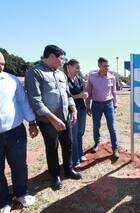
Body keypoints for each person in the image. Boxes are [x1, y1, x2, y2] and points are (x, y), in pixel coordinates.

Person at [25, 45, 81, 190]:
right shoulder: (35, 72)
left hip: (65, 116)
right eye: (61, 59)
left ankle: (68, 170)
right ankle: (55, 175)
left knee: (68, 144)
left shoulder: (61, 74)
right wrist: (53, 119)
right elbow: (35, 100)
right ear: (51, 57)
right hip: (48, 121)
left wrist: (73, 109)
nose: (63, 62)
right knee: (52, 147)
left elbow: (67, 94)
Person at [0, 52, 38, 212]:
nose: (0, 67)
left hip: (15, 131)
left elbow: (23, 102)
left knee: (19, 165)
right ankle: (3, 201)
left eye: (2, 63)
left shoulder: (11, 80)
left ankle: (21, 193)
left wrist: (32, 122)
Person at [85, 57, 119, 157]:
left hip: (109, 105)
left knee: (112, 127)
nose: (107, 68)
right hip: (96, 105)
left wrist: (115, 105)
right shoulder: (92, 77)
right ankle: (96, 143)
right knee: (96, 125)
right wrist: (88, 106)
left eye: (108, 66)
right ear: (99, 66)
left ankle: (115, 148)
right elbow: (88, 92)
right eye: (105, 66)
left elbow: (114, 92)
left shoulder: (112, 77)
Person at [63, 59, 88, 169]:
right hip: (71, 111)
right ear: (69, 67)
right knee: (73, 135)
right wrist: (79, 96)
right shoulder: (64, 80)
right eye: (77, 68)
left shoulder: (79, 79)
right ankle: (75, 159)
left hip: (81, 109)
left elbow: (82, 93)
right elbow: (65, 97)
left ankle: (80, 154)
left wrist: (84, 95)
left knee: (80, 133)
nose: (79, 70)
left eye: (79, 68)